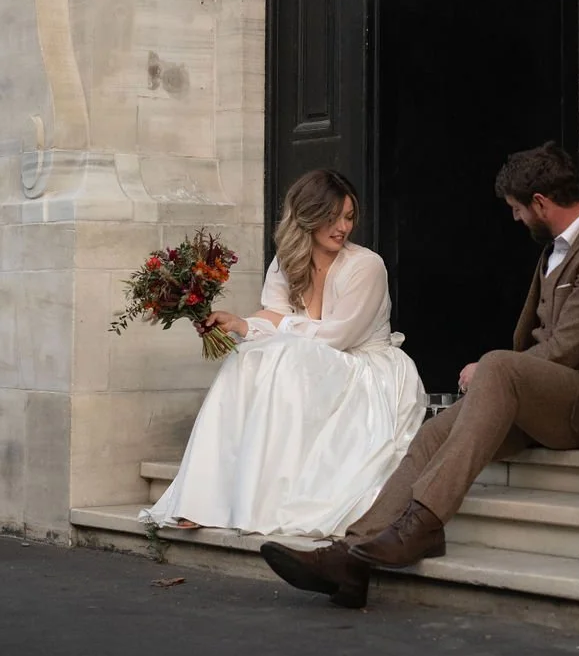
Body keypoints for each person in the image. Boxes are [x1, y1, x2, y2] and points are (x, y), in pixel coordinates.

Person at [260, 141, 579, 610]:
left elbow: (568, 351)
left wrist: (494, 372)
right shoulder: (560, 247)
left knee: (497, 365)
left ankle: (422, 525)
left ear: (541, 203)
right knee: (433, 435)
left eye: (518, 209)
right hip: (553, 393)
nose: (516, 218)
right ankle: (350, 558)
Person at [142, 169, 427, 539]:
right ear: (308, 216)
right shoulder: (286, 262)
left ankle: (259, 502)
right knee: (245, 357)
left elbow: (337, 337)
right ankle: (204, 500)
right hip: (313, 363)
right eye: (332, 217)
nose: (343, 227)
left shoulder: (366, 266)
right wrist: (240, 324)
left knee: (283, 357)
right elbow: (273, 319)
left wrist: (274, 324)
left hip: (367, 369)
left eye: (349, 217)